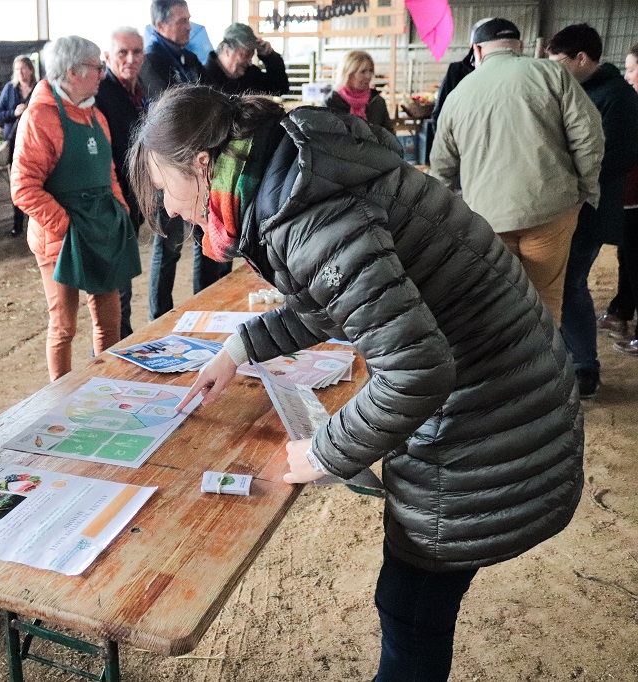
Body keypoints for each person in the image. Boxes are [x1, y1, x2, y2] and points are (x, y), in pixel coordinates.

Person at [130, 84, 584, 682]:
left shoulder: (305, 210)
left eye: (166, 190)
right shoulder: (300, 172)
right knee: (411, 601)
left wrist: (323, 452)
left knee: (410, 606)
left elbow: (416, 370)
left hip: (488, 429)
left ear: (203, 166)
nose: (169, 208)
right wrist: (240, 349)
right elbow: (336, 297)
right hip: (511, 400)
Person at [431, 18, 604, 335]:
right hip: (551, 210)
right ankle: (546, 374)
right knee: (546, 303)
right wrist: (584, 190)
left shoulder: (458, 93)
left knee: (496, 300)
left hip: (488, 218)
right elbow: (589, 139)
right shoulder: (552, 74)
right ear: (520, 47)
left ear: (478, 51)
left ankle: (504, 376)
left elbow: (441, 166)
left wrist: (451, 213)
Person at [10, 36, 141, 382]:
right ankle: (60, 394)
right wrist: (68, 227)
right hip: (60, 240)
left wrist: (120, 210)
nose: (102, 73)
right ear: (73, 71)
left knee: (109, 320)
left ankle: (106, 384)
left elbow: (108, 172)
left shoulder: (95, 114)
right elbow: (24, 188)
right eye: (98, 67)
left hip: (102, 230)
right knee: (64, 325)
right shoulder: (39, 117)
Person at [546, 24, 638, 396]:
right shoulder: (579, 89)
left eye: (559, 62)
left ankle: (584, 366)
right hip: (569, 206)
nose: (554, 71)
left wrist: (572, 176)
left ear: (581, 58)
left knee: (570, 284)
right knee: (564, 284)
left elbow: (620, 156)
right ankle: (573, 362)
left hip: (593, 208)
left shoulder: (617, 96)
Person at [141, 0, 230, 320]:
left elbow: (212, 101)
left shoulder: (190, 58)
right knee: (168, 246)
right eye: (181, 20)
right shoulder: (151, 63)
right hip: (171, 166)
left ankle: (204, 308)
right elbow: (176, 113)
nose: (189, 26)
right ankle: (159, 317)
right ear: (161, 25)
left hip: (198, 167)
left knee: (204, 239)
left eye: (189, 19)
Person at [95, 26, 148, 339]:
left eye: (137, 52)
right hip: (112, 208)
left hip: (131, 206)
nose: (131, 59)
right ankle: (112, 364)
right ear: (107, 57)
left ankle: (122, 351)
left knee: (123, 294)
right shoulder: (101, 94)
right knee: (115, 298)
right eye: (122, 53)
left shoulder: (137, 91)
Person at [609, 43, 638, 357]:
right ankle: (622, 309)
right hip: (628, 197)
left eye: (631, 68)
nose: (627, 75)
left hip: (635, 197)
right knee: (627, 255)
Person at [0, 55, 37, 236]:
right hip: (15, 145)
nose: (19, 72)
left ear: (31, 70)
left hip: (35, 143)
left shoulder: (39, 89)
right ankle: (18, 225)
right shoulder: (9, 89)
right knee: (18, 183)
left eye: (22, 68)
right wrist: (14, 112)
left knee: (37, 183)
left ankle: (35, 224)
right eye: (17, 69)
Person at [203, 22, 288, 96]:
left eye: (251, 56)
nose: (249, 62)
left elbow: (280, 88)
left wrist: (270, 57)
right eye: (246, 55)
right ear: (226, 50)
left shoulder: (250, 75)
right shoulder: (203, 79)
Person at [324, 50, 396, 134]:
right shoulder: (331, 103)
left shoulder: (377, 102)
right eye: (363, 71)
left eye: (370, 71)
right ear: (348, 73)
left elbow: (389, 135)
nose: (368, 76)